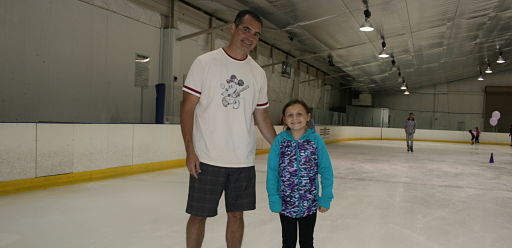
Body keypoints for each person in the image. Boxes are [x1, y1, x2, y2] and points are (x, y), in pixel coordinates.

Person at [180, 10, 277, 248]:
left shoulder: (258, 73)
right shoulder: (205, 63)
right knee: (199, 215)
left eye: (256, 34)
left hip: (242, 161)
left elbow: (261, 115)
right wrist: (190, 151)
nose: (251, 37)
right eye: (246, 29)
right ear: (232, 28)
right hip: (207, 158)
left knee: (236, 216)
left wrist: (281, 145)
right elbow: (187, 109)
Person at [266, 99, 334, 248]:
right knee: (288, 242)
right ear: (284, 119)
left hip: (309, 203)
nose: (294, 118)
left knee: (307, 243)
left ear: (308, 117)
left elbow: (326, 171)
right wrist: (274, 198)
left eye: (299, 114)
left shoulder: (316, 141)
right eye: (289, 115)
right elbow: (272, 172)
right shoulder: (280, 141)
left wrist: (326, 198)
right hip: (286, 204)